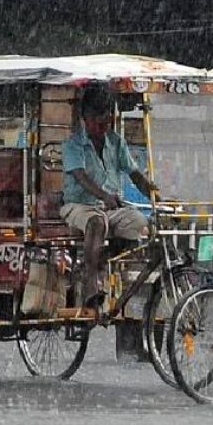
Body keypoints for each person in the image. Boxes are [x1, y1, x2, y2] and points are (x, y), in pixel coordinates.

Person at [60, 86, 157, 308]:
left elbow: (134, 174)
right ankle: (91, 281)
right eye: (98, 122)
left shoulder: (116, 142)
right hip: (79, 206)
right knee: (96, 222)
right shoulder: (73, 145)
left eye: (107, 122)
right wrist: (104, 196)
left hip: (111, 208)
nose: (103, 127)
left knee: (139, 223)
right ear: (86, 119)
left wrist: (155, 195)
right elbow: (81, 177)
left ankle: (98, 261)